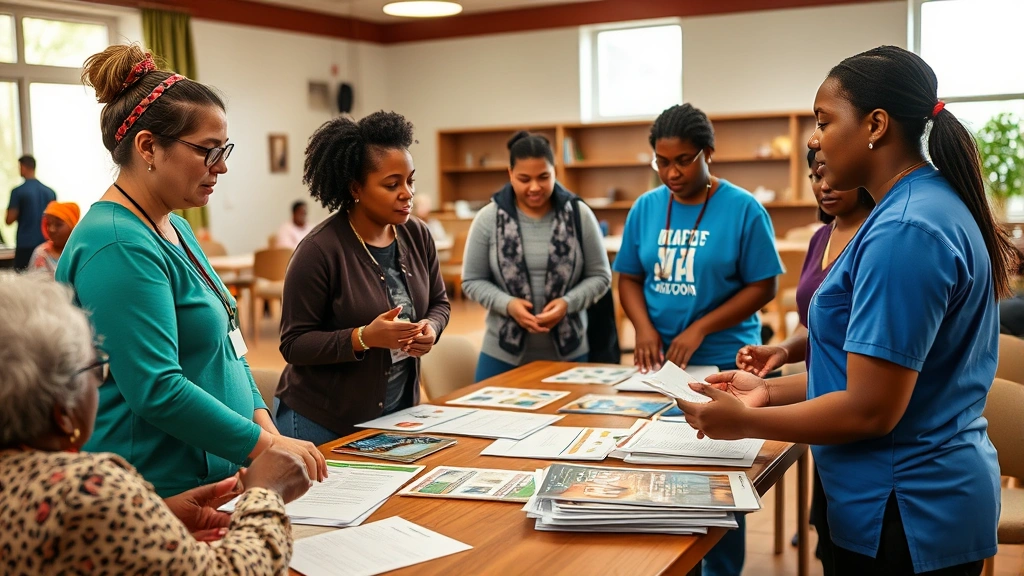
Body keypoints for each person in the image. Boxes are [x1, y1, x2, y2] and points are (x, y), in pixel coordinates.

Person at [677, 46, 1016, 576]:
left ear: (876, 125)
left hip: (906, 508)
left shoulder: (904, 231)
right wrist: (769, 390)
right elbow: (870, 373)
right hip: (908, 500)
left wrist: (746, 421)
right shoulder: (919, 208)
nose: (813, 138)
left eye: (823, 120)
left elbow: (869, 408)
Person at [56, 44, 326, 498]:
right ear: (148, 147)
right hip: (154, 489)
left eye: (224, 149)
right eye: (207, 151)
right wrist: (263, 449)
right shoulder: (117, 242)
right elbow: (156, 388)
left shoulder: (174, 224)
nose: (221, 167)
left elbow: (229, 348)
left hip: (214, 476)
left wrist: (269, 432)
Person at [0, 272, 313, 574]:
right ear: (62, 414)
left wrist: (156, 518)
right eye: (95, 369)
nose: (100, 383)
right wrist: (265, 495)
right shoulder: (88, 489)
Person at [613, 103, 783, 576]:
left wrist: (700, 327)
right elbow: (627, 276)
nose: (671, 172)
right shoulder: (646, 208)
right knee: (657, 472)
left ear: (708, 153)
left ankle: (722, 569)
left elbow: (764, 285)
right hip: (660, 366)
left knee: (715, 480)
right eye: (661, 161)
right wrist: (644, 328)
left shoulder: (743, 208)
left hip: (723, 363)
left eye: (683, 160)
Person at [735, 149, 875, 573]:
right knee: (831, 533)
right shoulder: (821, 237)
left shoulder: (879, 236)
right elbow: (815, 325)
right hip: (824, 398)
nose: (824, 186)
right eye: (816, 176)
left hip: (856, 400)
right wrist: (780, 350)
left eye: (831, 175)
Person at [277, 111, 450, 444]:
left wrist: (432, 327)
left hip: (397, 415)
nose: (407, 193)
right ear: (356, 188)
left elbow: (440, 302)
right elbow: (293, 343)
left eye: (410, 180)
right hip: (322, 420)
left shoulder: (418, 235)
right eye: (392, 184)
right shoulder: (318, 250)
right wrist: (363, 337)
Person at [462, 131, 611, 381]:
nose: (534, 187)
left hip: (569, 352)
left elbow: (601, 276)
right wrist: (507, 304)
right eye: (524, 178)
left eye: (544, 177)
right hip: (502, 353)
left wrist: (568, 303)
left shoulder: (579, 215)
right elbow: (472, 280)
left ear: (555, 172)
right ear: (510, 174)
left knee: (571, 419)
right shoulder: (488, 218)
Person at [5, 155, 57, 270]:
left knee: (24, 283)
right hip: (45, 244)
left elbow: (9, 220)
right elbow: (55, 219)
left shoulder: (18, 192)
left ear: (23, 167)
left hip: (25, 244)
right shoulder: (50, 192)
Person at [28, 201, 81, 275]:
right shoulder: (41, 253)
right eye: (48, 224)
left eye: (58, 224)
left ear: (72, 227)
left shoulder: (80, 253)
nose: (51, 229)